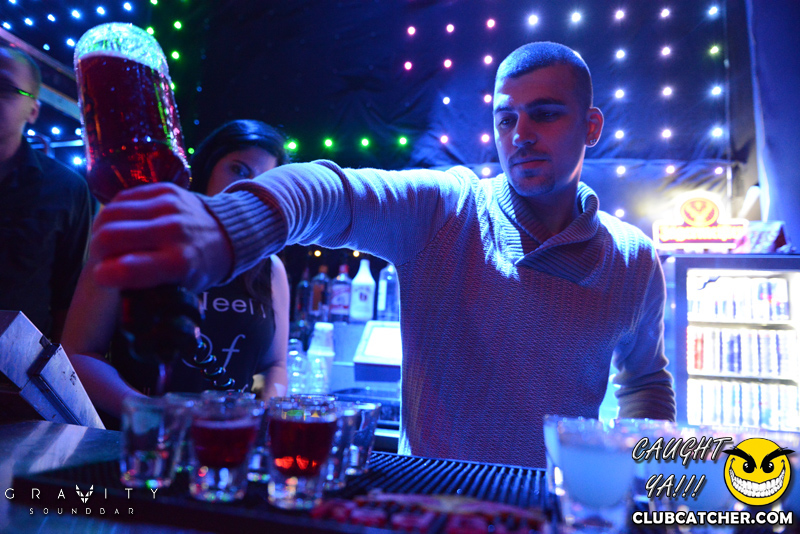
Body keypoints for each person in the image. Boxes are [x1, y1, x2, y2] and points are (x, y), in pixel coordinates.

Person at [87, 42, 676, 467]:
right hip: (433, 503)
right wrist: (228, 224)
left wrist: (640, 476)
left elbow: (646, 381)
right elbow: (334, 192)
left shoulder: (634, 259)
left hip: (556, 511)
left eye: (544, 114)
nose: (520, 133)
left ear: (591, 126)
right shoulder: (448, 208)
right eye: (506, 118)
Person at [61, 120, 290, 421]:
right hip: (137, 437)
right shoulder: (139, 234)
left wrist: (262, 413)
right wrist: (153, 413)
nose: (248, 188)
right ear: (207, 168)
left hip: (228, 440)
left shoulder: (270, 268)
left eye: (264, 181)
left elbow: (275, 365)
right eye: (238, 170)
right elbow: (78, 353)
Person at [0, 45, 92, 343]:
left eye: (4, 88)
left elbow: (69, 299)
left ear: (33, 110)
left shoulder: (67, 189)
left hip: (16, 368)